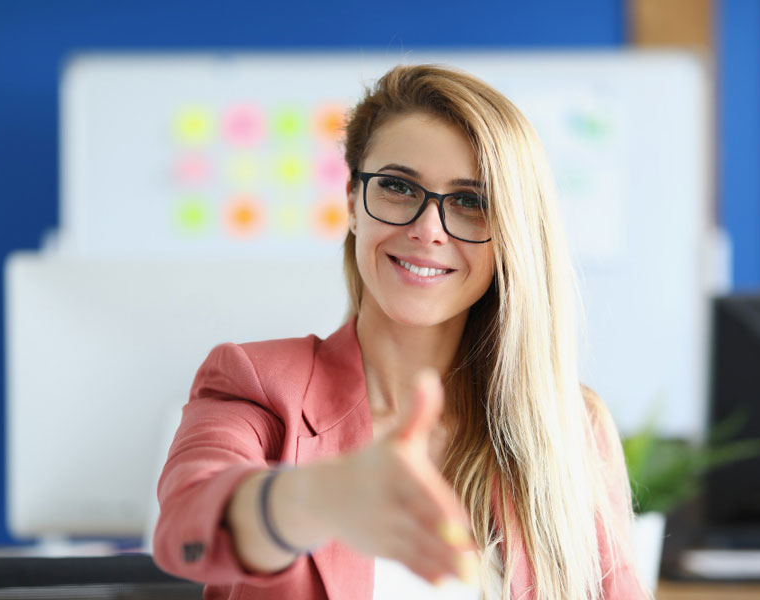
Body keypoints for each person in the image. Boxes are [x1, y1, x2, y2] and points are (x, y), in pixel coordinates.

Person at [153, 64, 648, 600]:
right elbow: (185, 539)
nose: (427, 229)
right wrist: (317, 498)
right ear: (350, 203)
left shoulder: (567, 426)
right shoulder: (258, 385)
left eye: (471, 201)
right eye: (396, 186)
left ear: (511, 234)